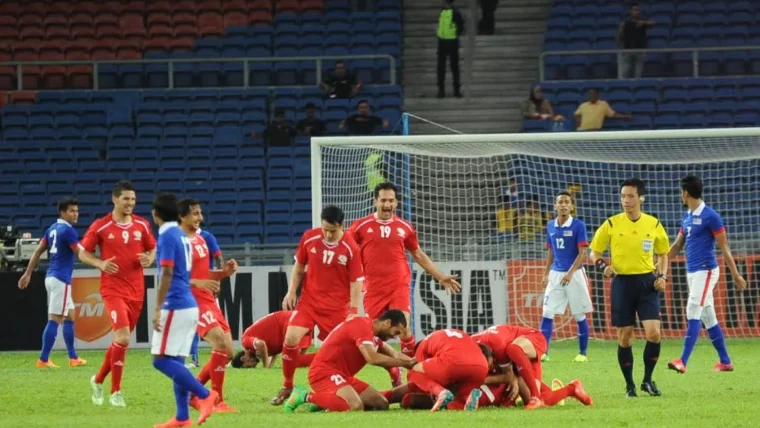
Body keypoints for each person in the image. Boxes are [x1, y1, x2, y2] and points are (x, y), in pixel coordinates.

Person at [348, 182, 461, 365]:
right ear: (375, 201)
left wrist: (440, 276)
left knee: (403, 326)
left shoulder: (405, 227)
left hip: (398, 284)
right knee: (374, 334)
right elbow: (347, 252)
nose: (387, 205)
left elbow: (418, 254)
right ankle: (395, 370)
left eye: (391, 201)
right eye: (383, 200)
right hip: (374, 288)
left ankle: (412, 371)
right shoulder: (360, 226)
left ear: (396, 203)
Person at [270, 205, 364, 405]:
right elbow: (299, 266)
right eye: (325, 229)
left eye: (332, 231)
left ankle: (337, 388)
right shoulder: (309, 237)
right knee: (291, 338)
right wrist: (291, 291)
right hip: (309, 303)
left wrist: (353, 311)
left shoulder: (350, 247)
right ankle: (287, 386)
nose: (328, 235)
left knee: (339, 353)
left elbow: (356, 282)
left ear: (342, 226)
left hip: (336, 309)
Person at [589, 178, 669, 398]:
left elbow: (663, 254)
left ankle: (647, 380)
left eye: (631, 196)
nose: (626, 200)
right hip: (622, 283)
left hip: (647, 283)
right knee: (625, 337)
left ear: (641, 198)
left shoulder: (653, 224)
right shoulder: (611, 224)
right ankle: (630, 385)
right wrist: (603, 266)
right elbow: (594, 252)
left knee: (654, 333)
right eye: (623, 196)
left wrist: (663, 276)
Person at [18, 198, 118, 369]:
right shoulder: (68, 230)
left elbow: (38, 251)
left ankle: (73, 358)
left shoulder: (51, 229)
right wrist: (99, 261)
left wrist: (28, 273)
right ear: (62, 213)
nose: (75, 214)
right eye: (72, 211)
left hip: (51, 277)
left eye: (77, 211)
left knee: (70, 316)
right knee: (55, 319)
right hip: (60, 279)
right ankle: (43, 359)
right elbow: (80, 253)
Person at [85, 181, 156, 408]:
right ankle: (116, 392)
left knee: (120, 341)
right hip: (112, 289)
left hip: (136, 291)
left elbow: (152, 248)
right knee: (123, 338)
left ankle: (97, 380)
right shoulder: (101, 226)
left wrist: (149, 258)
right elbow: (83, 252)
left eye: (133, 199)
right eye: (126, 198)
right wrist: (100, 263)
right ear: (115, 199)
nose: (130, 203)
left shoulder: (142, 225)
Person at [150, 193, 218, 428]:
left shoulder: (167, 235)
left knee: (159, 360)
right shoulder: (182, 236)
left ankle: (205, 394)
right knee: (176, 360)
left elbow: (167, 272)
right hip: (189, 304)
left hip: (175, 303)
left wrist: (157, 307)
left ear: (156, 214)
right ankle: (182, 417)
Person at [667, 176, 747, 374]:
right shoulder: (687, 216)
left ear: (686, 193)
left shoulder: (711, 216)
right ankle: (725, 361)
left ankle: (682, 361)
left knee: (693, 307)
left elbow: (724, 247)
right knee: (708, 316)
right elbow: (677, 245)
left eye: (681, 192)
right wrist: (658, 262)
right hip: (692, 272)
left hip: (707, 270)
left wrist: (736, 275)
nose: (681, 195)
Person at [283, 310, 415, 413]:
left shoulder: (371, 334)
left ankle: (326, 402)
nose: (394, 337)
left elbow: (395, 353)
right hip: (324, 373)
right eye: (396, 332)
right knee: (355, 406)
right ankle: (304, 396)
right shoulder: (362, 326)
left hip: (343, 377)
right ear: (387, 323)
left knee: (381, 404)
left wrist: (417, 363)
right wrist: (405, 364)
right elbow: (372, 358)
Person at [177, 199, 239, 413]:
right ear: (182, 216)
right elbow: (169, 277)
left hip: (208, 299)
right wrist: (198, 283)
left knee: (228, 351)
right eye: (195, 214)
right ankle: (216, 400)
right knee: (219, 343)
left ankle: (192, 393)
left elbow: (204, 274)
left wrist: (224, 273)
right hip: (190, 299)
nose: (200, 218)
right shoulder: (175, 241)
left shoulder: (201, 240)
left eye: (200, 213)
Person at [539, 192, 593, 363]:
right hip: (555, 274)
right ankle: (543, 352)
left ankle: (582, 353)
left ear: (571, 206)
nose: (563, 205)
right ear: (555, 206)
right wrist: (546, 273)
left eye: (566, 202)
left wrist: (570, 273)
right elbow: (551, 251)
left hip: (575, 275)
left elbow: (583, 253)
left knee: (579, 315)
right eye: (560, 202)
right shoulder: (550, 226)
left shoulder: (578, 226)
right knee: (547, 312)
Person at [410, 329, 491, 412]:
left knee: (414, 372)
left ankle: (441, 393)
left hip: (453, 361)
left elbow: (424, 372)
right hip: (481, 366)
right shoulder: (452, 333)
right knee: (462, 397)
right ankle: (467, 398)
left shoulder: (421, 347)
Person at [472, 324, 549, 409]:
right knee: (527, 397)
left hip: (532, 338)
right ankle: (546, 394)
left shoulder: (498, 346)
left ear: (491, 351)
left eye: (490, 365)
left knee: (514, 350)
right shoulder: (470, 345)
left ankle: (537, 397)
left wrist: (478, 380)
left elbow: (508, 376)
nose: (489, 368)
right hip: (516, 358)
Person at [187, 226, 223, 369]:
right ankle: (194, 358)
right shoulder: (182, 238)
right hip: (190, 287)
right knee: (191, 322)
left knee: (216, 322)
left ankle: (223, 355)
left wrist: (217, 281)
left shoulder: (206, 236)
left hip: (206, 287)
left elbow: (219, 257)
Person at [231, 311, 315, 369]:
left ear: (243, 359)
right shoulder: (258, 350)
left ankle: (322, 358)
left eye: (248, 366)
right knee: (296, 362)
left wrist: (266, 367)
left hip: (289, 322)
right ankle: (321, 358)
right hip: (294, 320)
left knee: (292, 361)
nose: (254, 366)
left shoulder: (245, 341)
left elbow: (261, 344)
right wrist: (270, 366)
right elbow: (274, 351)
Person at [617, 3, 655, 79]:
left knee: (638, 75)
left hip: (639, 52)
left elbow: (653, 23)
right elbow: (619, 37)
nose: (637, 12)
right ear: (630, 11)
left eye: (638, 10)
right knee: (625, 74)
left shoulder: (642, 22)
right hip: (627, 51)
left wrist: (644, 22)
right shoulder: (625, 23)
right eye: (635, 10)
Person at [436, 0, 464, 98]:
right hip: (442, 41)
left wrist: (455, 33)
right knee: (441, 67)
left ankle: (456, 90)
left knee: (454, 67)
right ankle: (441, 90)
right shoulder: (442, 11)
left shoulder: (455, 13)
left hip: (452, 42)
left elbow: (461, 26)